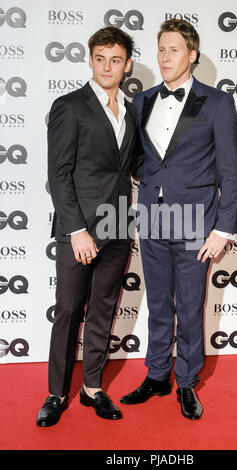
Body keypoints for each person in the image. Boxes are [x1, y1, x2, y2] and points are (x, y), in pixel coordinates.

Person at [120, 19, 237, 420]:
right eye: (160, 50)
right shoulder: (142, 101)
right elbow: (140, 159)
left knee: (190, 307)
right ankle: (157, 375)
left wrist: (223, 228)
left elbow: (230, 172)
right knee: (157, 303)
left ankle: (186, 381)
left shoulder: (218, 103)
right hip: (153, 218)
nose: (165, 57)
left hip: (196, 222)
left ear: (191, 55)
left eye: (173, 50)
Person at [37, 26, 141, 426]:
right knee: (68, 311)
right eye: (100, 58)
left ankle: (93, 388)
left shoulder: (131, 110)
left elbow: (131, 167)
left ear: (126, 65)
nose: (107, 66)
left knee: (102, 309)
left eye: (115, 60)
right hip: (78, 230)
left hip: (117, 226)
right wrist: (77, 230)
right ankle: (55, 393)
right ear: (91, 60)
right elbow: (59, 174)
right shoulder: (70, 106)